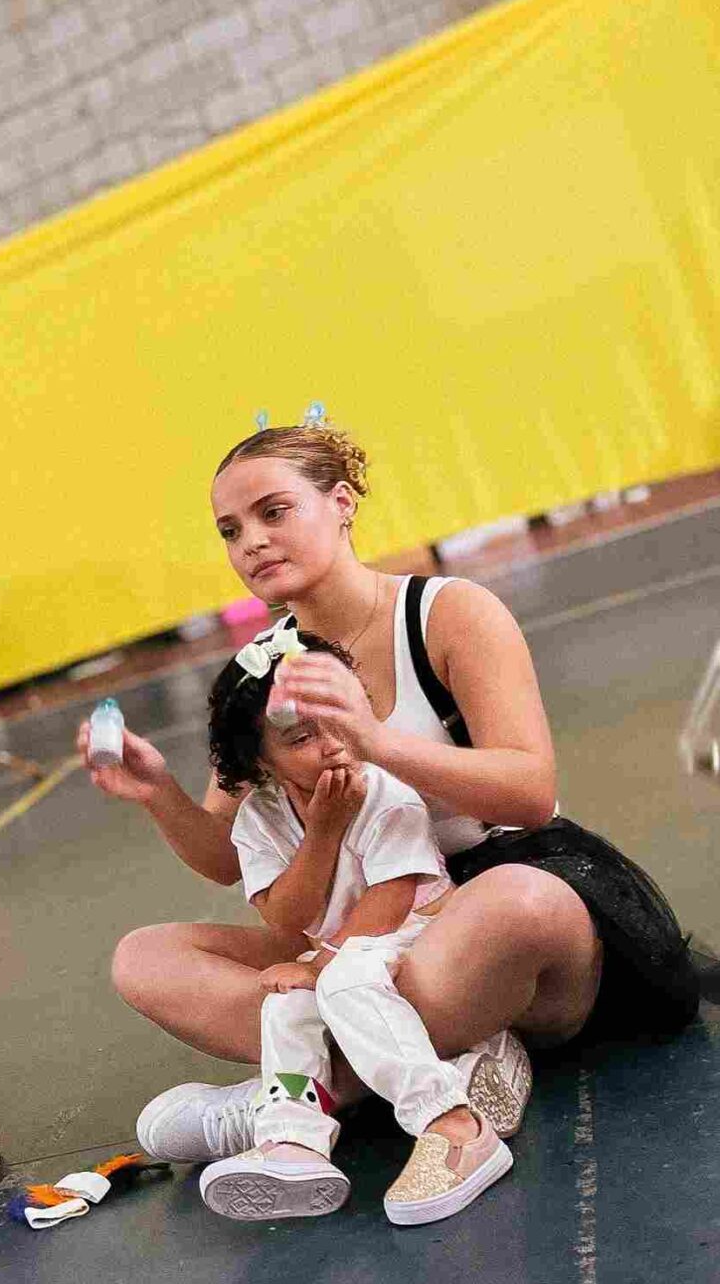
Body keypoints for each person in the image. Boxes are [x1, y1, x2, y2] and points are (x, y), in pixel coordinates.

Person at [87, 423, 697, 1222]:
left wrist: (376, 742)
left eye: (274, 512)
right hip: (357, 930)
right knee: (145, 959)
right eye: (231, 531)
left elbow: (529, 789)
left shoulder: (446, 613)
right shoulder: (258, 668)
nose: (253, 543)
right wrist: (160, 792)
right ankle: (397, 1074)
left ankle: (296, 1097)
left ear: (341, 504)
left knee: (521, 903)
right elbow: (227, 859)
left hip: (476, 904)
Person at [195, 625, 529, 1225]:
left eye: (339, 720)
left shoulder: (387, 791)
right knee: (284, 1009)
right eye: (300, 738)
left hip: (417, 929)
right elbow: (284, 915)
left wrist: (320, 965)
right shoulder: (259, 819)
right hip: (341, 945)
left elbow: (394, 898)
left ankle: (455, 1125)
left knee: (344, 983)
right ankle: (295, 1142)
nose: (331, 745)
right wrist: (322, 832)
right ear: (258, 761)